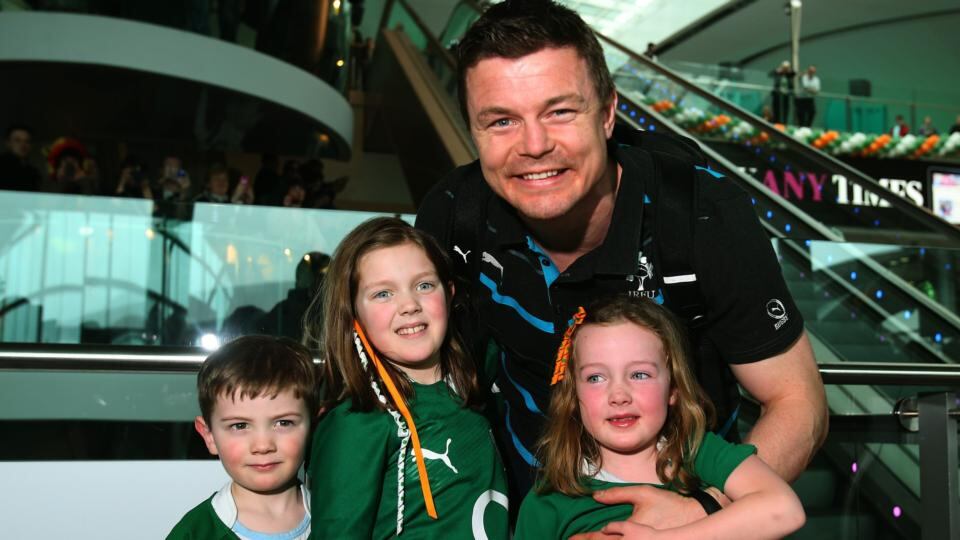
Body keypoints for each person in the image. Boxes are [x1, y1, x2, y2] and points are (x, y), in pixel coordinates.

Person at [415, 0, 826, 531]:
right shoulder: (456, 218)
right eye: (501, 121)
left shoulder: (698, 215)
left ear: (608, 113)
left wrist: (701, 513)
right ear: (472, 130)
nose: (534, 146)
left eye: (560, 111)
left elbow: (798, 402)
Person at [514, 296, 805, 538]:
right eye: (595, 378)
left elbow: (783, 510)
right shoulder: (548, 502)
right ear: (573, 397)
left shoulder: (698, 452)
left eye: (639, 374)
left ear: (673, 389)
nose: (619, 395)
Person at [303, 217, 509, 538]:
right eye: (383, 294)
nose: (409, 305)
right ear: (353, 312)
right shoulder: (357, 423)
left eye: (424, 285)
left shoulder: (472, 385)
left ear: (449, 293)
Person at [167, 335, 321, 539]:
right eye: (240, 425)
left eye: (283, 423)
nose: (263, 445)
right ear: (209, 436)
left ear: (314, 428)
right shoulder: (195, 533)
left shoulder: (339, 521)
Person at [0, 124, 41, 192]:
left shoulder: (32, 171)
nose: (23, 145)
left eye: (27, 141)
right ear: (8, 143)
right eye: (17, 140)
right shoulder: (2, 166)